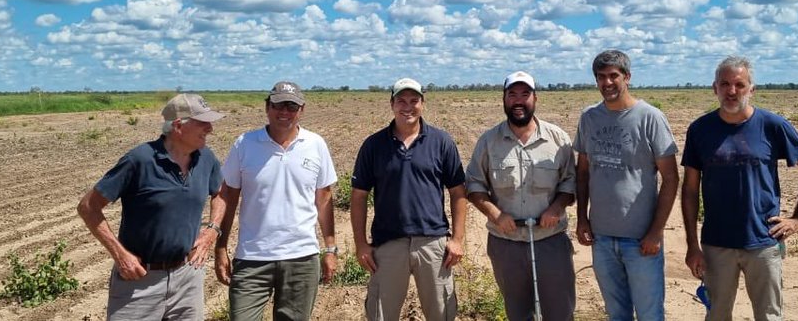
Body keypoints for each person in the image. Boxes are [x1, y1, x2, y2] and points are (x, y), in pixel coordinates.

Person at [681, 56, 798, 321]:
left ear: (751, 89)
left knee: (769, 315)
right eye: (725, 84)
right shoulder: (700, 129)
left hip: (763, 241)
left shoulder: (772, 125)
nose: (732, 91)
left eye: (739, 84)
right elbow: (689, 189)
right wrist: (692, 243)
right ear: (715, 88)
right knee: (716, 315)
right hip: (716, 243)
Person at [77, 93, 227, 321]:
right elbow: (88, 207)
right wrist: (121, 255)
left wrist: (211, 231)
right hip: (139, 282)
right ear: (178, 126)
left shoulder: (206, 158)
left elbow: (220, 193)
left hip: (188, 278)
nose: (210, 129)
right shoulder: (140, 160)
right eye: (203, 123)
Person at [213, 81, 338, 321]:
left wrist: (330, 249)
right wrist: (221, 248)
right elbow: (227, 196)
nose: (284, 112)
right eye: (278, 105)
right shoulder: (245, 144)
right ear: (267, 107)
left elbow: (323, 199)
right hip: (252, 258)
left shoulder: (315, 144)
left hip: (301, 258)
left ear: (302, 110)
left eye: (292, 106)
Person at [350, 78, 468, 321]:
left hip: (433, 243)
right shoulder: (374, 145)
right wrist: (361, 244)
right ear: (392, 104)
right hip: (388, 245)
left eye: (414, 100)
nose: (408, 106)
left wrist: (457, 239)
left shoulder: (441, 142)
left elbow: (458, 192)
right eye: (401, 101)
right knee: (381, 314)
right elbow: (359, 196)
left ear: (423, 103)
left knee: (442, 314)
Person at [575, 50, 680, 321]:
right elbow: (583, 171)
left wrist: (655, 233)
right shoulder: (589, 118)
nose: (607, 83)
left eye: (614, 76)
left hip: (641, 239)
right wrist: (582, 219)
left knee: (649, 314)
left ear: (627, 77)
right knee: (616, 313)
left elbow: (670, 178)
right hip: (602, 238)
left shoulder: (650, 118)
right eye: (601, 77)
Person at [465, 71, 577, 321]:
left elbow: (570, 181)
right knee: (518, 313)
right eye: (512, 94)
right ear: (503, 99)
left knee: (560, 312)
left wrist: (556, 208)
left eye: (525, 94)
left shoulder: (558, 139)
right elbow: (473, 185)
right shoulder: (488, 142)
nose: (518, 100)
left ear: (535, 98)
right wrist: (496, 214)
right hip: (506, 243)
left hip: (551, 241)